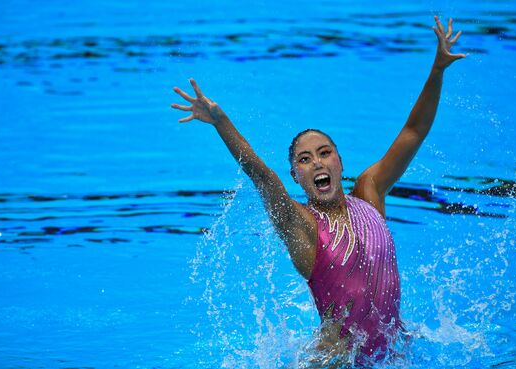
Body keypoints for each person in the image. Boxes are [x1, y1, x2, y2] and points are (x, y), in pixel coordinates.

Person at [171, 16, 465, 367]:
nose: (317, 163)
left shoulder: (370, 192)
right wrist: (221, 122)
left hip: (394, 353)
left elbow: (413, 131)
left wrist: (438, 69)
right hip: (335, 361)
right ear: (296, 176)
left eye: (324, 153)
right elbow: (262, 177)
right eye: (304, 159)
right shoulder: (303, 228)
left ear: (341, 162)